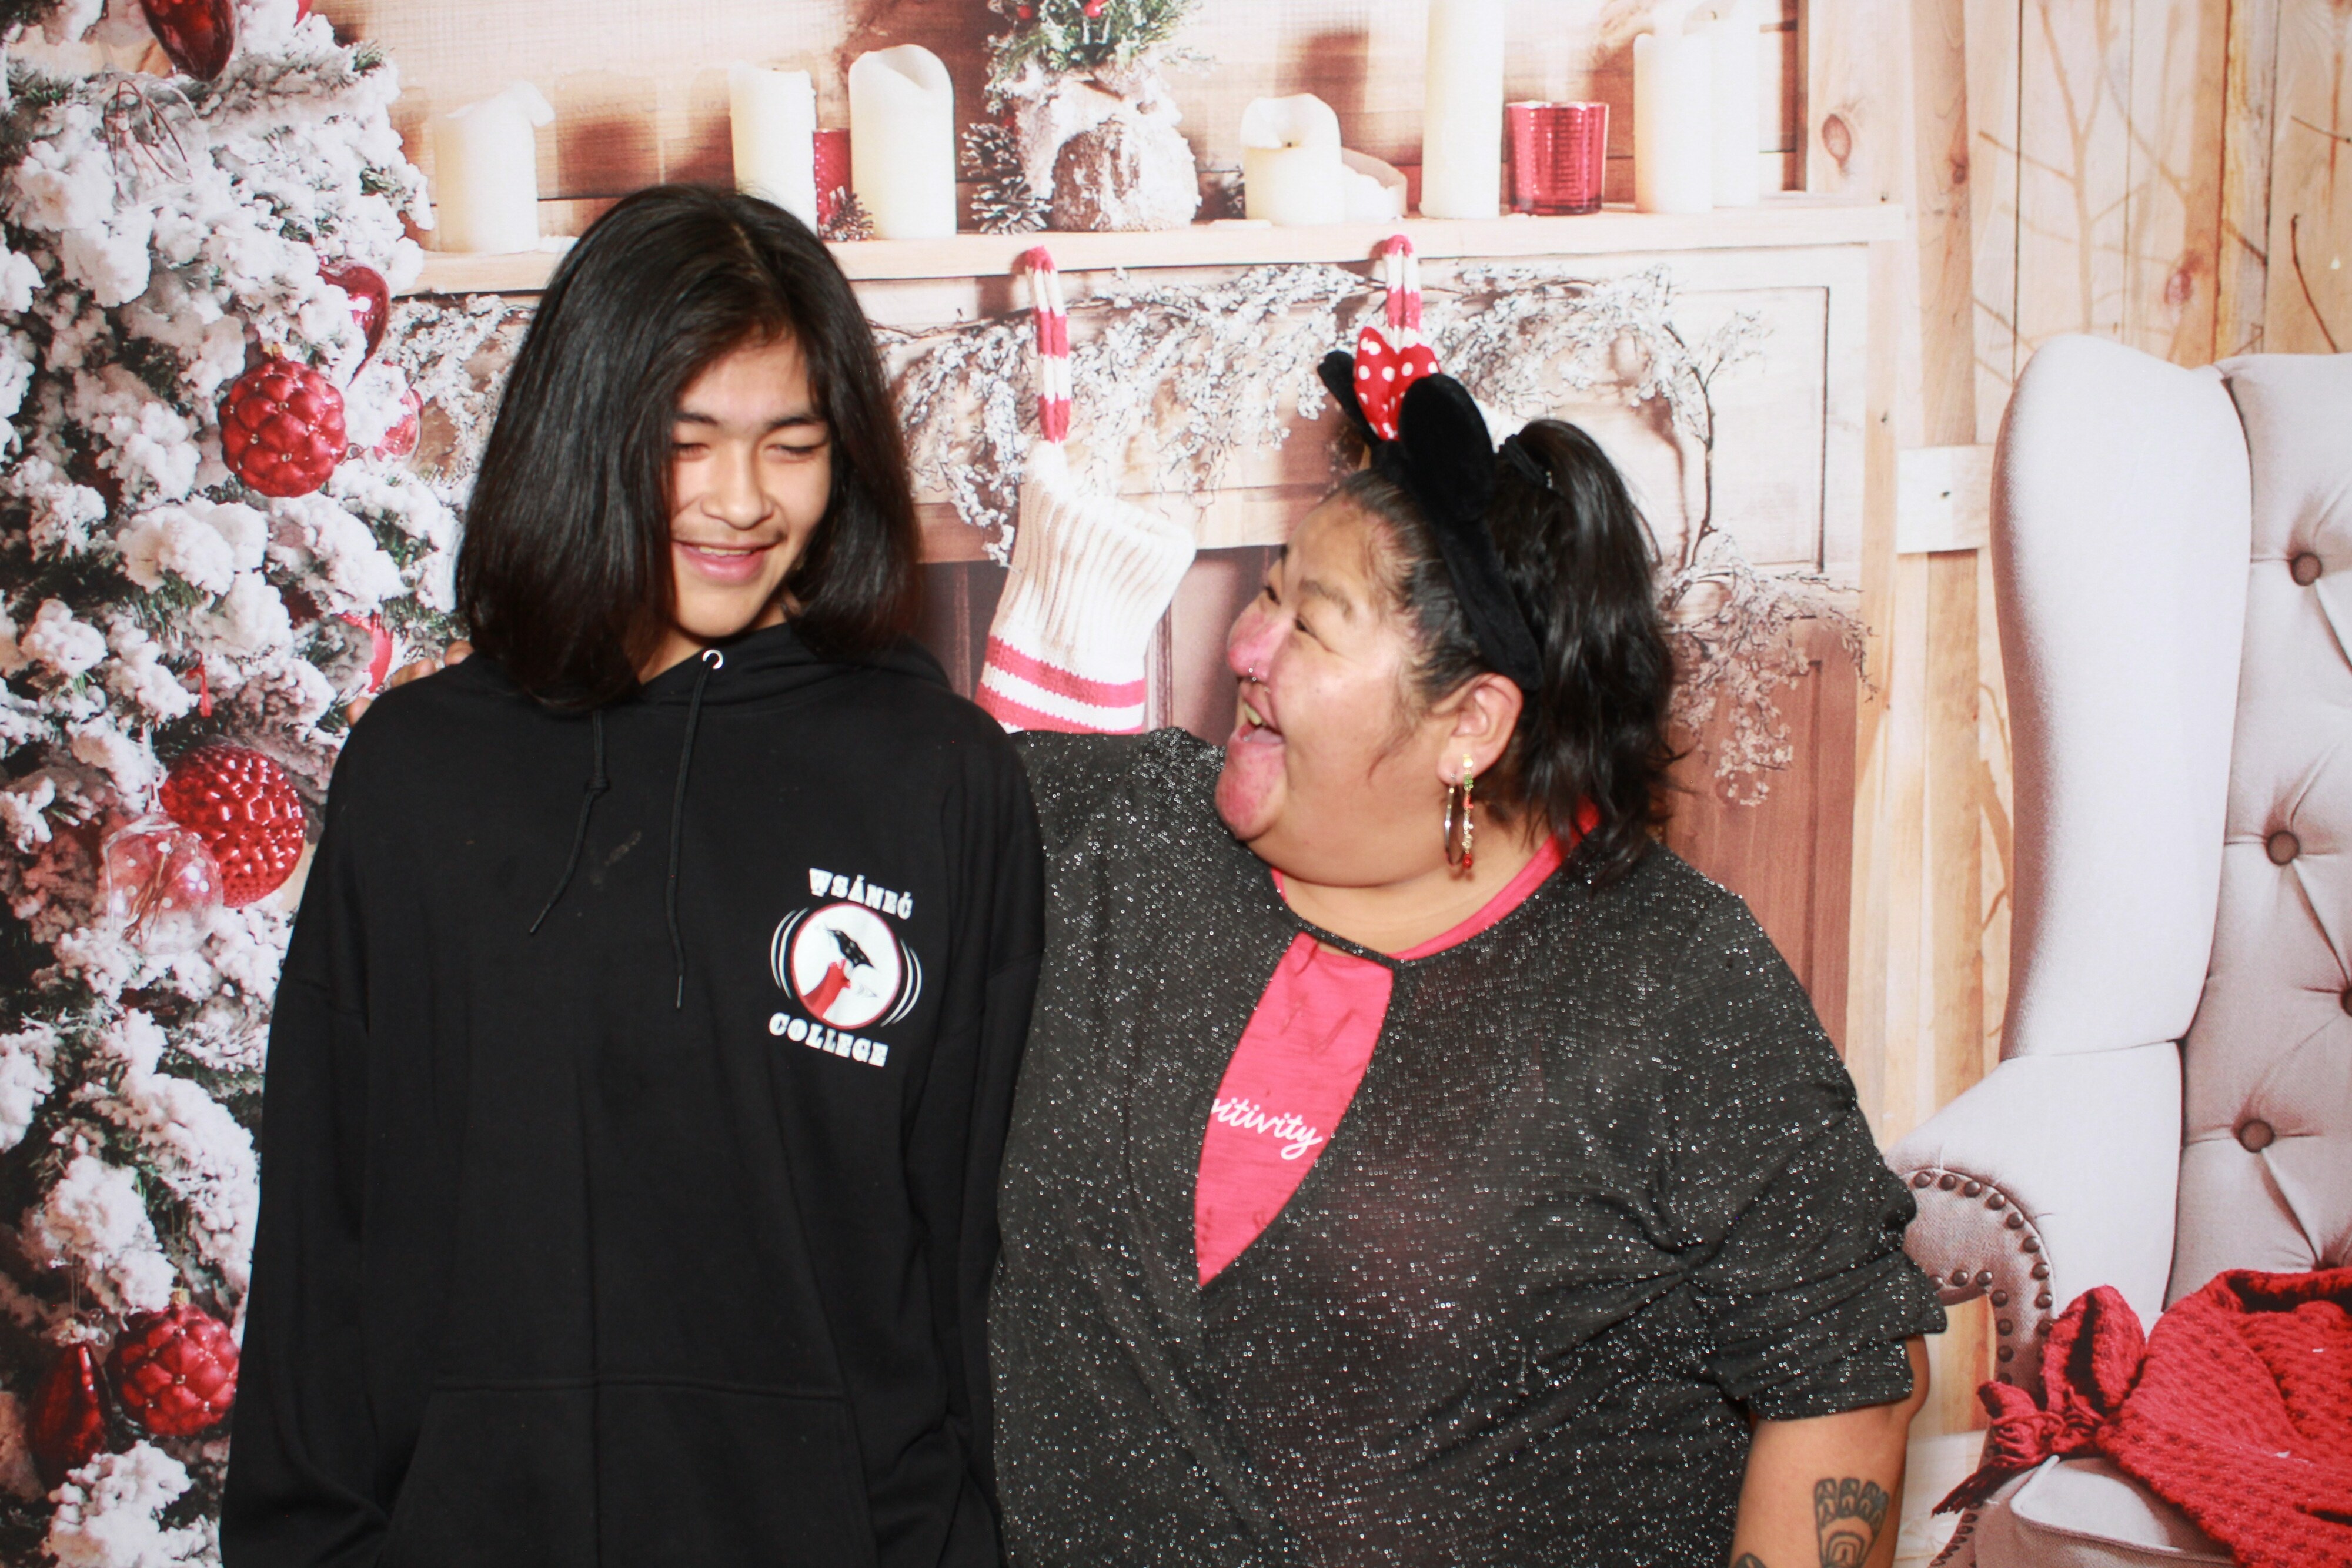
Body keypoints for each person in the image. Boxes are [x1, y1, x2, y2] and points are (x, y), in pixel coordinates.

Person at [977, 359, 1946, 1568]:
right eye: (1266, 592)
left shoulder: (1668, 982)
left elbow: (1849, 1382)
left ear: (1471, 725)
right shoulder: (1110, 835)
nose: (1243, 643)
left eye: (1306, 622)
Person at [224, 186, 1041, 1568]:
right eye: (684, 442)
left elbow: (974, 1250)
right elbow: (323, 1232)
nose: (741, 499)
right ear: (586, 435)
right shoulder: (417, 774)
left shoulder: (936, 776)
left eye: (792, 444)